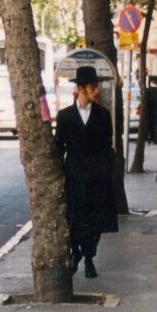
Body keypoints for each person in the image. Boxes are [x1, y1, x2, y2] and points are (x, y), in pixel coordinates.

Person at [53, 65, 118, 278]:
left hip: (97, 177)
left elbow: (108, 147)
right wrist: (61, 174)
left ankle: (89, 257)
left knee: (95, 223)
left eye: (97, 86)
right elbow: (59, 147)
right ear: (81, 89)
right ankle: (77, 253)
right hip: (74, 178)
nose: (96, 91)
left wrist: (107, 172)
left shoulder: (103, 115)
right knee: (74, 221)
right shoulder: (65, 116)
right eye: (92, 87)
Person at [143, 75, 157, 144]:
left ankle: (149, 138)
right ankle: (154, 138)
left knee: (149, 125)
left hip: (149, 112)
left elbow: (145, 102)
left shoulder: (147, 91)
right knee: (155, 125)